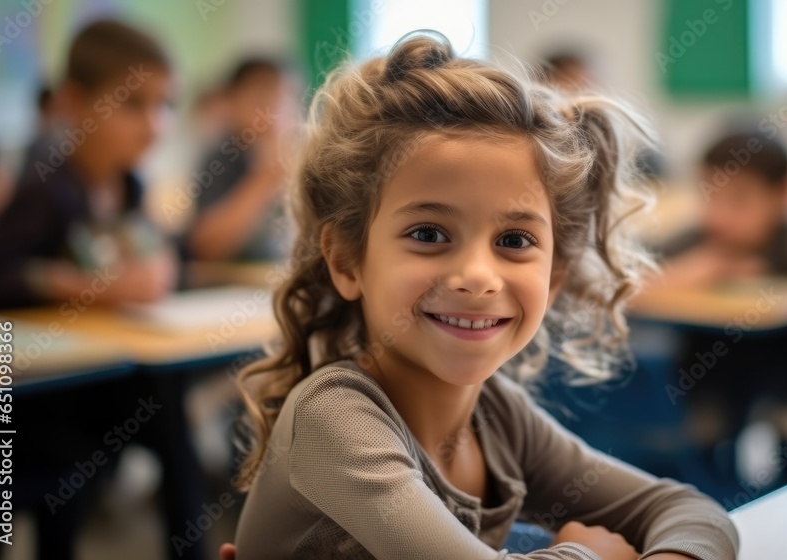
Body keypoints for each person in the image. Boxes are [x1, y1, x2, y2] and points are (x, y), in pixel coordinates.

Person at [230, 33, 737, 560]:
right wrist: (591, 555)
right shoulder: (334, 420)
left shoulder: (498, 418)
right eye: (428, 234)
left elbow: (694, 514)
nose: (477, 276)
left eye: (515, 241)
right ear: (346, 261)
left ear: (554, 275)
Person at [0, 20, 176, 310]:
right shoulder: (47, 187)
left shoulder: (131, 186)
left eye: (165, 104)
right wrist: (87, 286)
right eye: (133, 104)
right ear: (73, 102)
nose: (154, 126)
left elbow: (166, 257)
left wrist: (163, 266)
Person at [657, 132, 787, 288]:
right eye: (709, 195)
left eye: (739, 199)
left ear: (783, 197)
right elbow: (638, 272)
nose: (718, 216)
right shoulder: (699, 239)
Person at [182, 57, 292, 262]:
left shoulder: (302, 157)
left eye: (283, 100)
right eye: (261, 100)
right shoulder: (222, 158)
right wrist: (265, 181)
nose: (274, 114)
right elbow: (205, 246)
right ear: (232, 104)